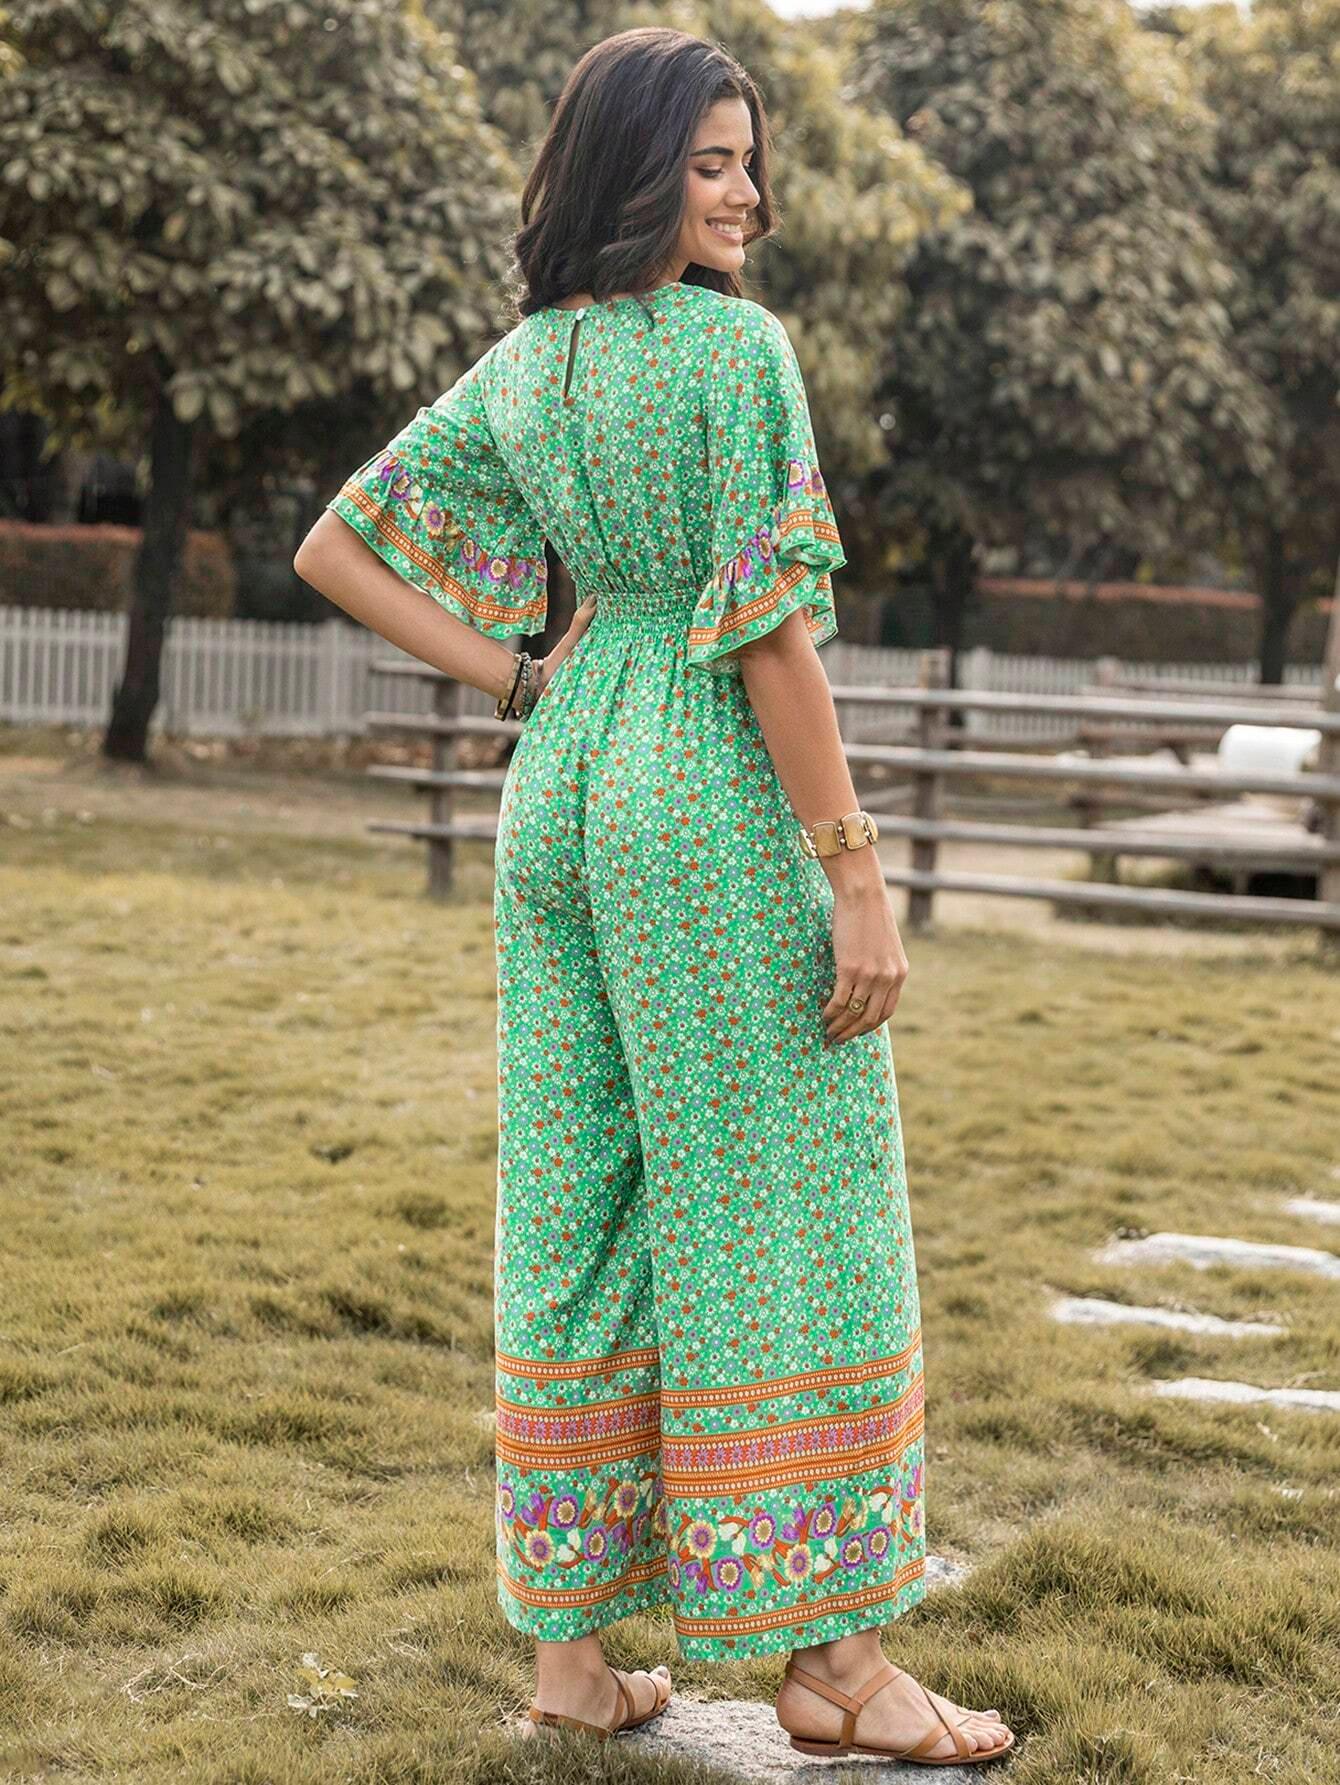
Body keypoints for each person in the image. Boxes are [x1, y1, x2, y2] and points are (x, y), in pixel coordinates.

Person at [294, 24, 1014, 1769]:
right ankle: (834, 1661)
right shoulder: (734, 352)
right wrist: (857, 874)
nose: (746, 192)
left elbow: (334, 546)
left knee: (579, 1196)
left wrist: (520, 676)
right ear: (636, 173)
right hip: (698, 793)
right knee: (782, 1193)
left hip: (564, 786)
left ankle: (571, 1660)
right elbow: (767, 635)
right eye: (710, 163)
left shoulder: (530, 363)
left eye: (749, 160)